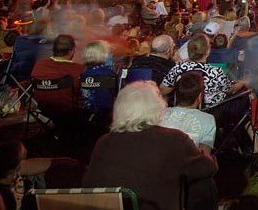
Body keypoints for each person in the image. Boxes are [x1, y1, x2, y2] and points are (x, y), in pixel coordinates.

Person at [84, 82, 218, 210]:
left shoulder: (104, 141)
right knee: (204, 185)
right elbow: (208, 168)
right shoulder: (174, 139)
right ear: (158, 107)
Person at [161, 33, 244, 109]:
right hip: (212, 112)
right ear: (207, 52)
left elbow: (163, 90)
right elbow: (231, 89)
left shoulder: (178, 68)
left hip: (182, 110)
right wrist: (243, 81)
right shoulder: (215, 72)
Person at [160, 72, 217, 151]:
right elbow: (205, 155)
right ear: (199, 96)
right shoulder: (208, 120)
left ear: (176, 94)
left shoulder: (158, 114)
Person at [30, 34, 83, 116]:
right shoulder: (77, 69)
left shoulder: (39, 65)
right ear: (70, 51)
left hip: (44, 110)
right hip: (69, 112)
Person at [80, 41, 118, 119]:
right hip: (103, 115)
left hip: (85, 112)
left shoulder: (84, 72)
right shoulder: (106, 73)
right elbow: (114, 93)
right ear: (103, 54)